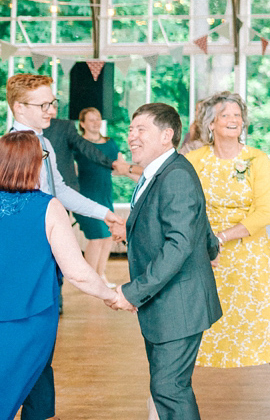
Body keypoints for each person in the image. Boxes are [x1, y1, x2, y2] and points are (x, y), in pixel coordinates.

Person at [7, 73, 126, 420]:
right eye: (43, 104)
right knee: (32, 347)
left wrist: (105, 213)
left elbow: (60, 190)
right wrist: (109, 294)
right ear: (19, 107)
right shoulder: (17, 149)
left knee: (41, 351)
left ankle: (39, 412)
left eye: (53, 102)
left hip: (44, 257)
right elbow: (46, 204)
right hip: (30, 260)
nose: (52, 110)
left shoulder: (44, 143)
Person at [185, 91, 270, 420]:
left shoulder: (257, 160)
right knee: (183, 337)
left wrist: (221, 237)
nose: (234, 120)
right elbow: (181, 204)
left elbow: (264, 212)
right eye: (225, 115)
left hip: (250, 261)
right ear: (210, 123)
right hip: (205, 262)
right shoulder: (194, 161)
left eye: (238, 114)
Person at [115, 102, 222, 420]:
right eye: (131, 129)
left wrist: (134, 292)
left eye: (141, 129)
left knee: (169, 388)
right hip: (167, 302)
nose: (132, 136)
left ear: (167, 135)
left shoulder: (174, 175)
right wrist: (210, 250)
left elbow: (178, 245)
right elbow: (196, 223)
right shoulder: (162, 171)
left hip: (179, 304)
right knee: (168, 386)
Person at [75, 107, 133, 282]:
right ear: (83, 123)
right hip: (84, 196)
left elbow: (119, 168)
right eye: (91, 119)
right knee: (97, 237)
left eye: (98, 118)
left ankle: (100, 275)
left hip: (105, 195)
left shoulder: (110, 143)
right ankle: (89, 279)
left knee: (107, 236)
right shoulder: (78, 144)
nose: (95, 122)